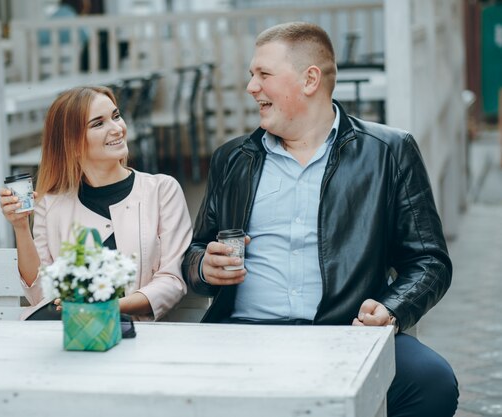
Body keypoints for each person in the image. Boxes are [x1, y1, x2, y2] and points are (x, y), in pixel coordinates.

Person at [182, 22, 458, 417]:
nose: (251, 87)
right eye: (251, 75)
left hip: (345, 333)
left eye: (263, 75)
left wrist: (392, 308)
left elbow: (429, 260)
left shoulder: (388, 152)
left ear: (310, 79)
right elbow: (195, 253)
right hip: (242, 334)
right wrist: (204, 267)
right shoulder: (233, 159)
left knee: (432, 382)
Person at [0, 85, 192, 321]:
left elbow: (171, 281)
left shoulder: (162, 190)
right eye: (98, 124)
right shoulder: (50, 205)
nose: (117, 129)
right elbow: (40, 295)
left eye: (116, 116)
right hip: (70, 336)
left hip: (136, 337)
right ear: (72, 144)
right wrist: (20, 226)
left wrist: (110, 307)